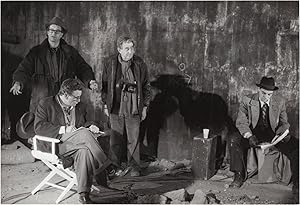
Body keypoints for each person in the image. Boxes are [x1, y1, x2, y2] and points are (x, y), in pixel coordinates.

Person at [34, 78, 114, 204]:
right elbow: (39, 127)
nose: (78, 100)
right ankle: (107, 166)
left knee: (84, 151)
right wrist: (63, 129)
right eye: (75, 98)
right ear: (65, 95)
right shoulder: (46, 103)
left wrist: (91, 126)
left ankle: (83, 194)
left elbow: (85, 123)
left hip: (77, 142)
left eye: (79, 97)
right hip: (56, 144)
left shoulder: (79, 106)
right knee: (83, 133)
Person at [10, 16, 98, 112]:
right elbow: (24, 69)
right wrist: (18, 82)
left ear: (61, 34)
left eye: (57, 32)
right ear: (47, 32)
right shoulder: (36, 52)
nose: (53, 34)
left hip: (64, 98)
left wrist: (90, 81)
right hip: (42, 98)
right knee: (41, 125)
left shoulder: (70, 52)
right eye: (51, 30)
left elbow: (82, 68)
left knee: (64, 125)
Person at [229, 76, 299, 192]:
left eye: (269, 94)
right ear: (259, 90)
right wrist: (248, 135)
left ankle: (297, 182)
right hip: (253, 134)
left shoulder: (279, 102)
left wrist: (280, 134)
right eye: (264, 93)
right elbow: (241, 122)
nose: (266, 97)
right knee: (234, 139)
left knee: (296, 145)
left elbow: (284, 123)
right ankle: (239, 175)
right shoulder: (247, 100)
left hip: (273, 135)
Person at [101, 35, 151, 177]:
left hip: (134, 107)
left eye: (132, 48)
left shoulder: (139, 63)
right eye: (126, 49)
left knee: (133, 139)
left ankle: (134, 167)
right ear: (119, 49)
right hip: (115, 107)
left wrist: (145, 106)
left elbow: (147, 86)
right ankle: (114, 166)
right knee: (115, 139)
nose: (130, 52)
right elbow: (104, 85)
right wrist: (105, 104)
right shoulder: (110, 63)